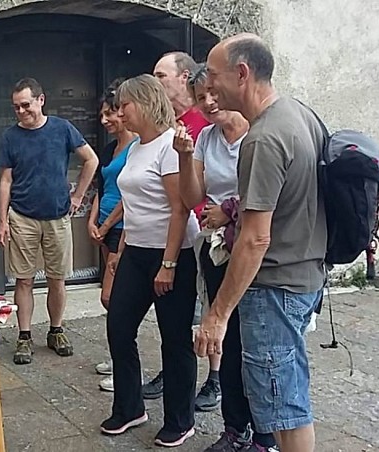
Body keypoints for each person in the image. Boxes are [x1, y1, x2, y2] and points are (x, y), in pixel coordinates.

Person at [195, 34, 326, 452]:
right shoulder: (300, 114)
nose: (208, 86)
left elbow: (254, 238)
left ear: (241, 73)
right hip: (303, 277)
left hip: (274, 289)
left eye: (213, 75)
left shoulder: (263, 137)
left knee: (285, 411)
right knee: (289, 399)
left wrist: (217, 315)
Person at [175, 65, 278, 452]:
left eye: (212, 93)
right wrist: (185, 157)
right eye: (200, 97)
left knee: (259, 347)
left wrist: (229, 210)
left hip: (255, 252)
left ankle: (266, 435)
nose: (208, 102)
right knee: (228, 344)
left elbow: (271, 195)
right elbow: (192, 197)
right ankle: (236, 428)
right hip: (218, 252)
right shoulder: (207, 138)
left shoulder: (258, 133)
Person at [100, 74, 199, 448]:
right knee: (119, 326)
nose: (120, 112)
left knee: (174, 338)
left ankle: (180, 419)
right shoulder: (137, 148)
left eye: (124, 104)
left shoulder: (170, 146)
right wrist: (119, 252)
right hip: (137, 250)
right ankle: (130, 407)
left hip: (171, 253)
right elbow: (133, 205)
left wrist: (168, 264)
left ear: (144, 103)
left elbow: (180, 208)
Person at [0, 77, 99, 365]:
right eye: (16, 107)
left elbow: (91, 160)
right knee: (23, 279)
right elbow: (5, 181)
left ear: (41, 100)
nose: (21, 111)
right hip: (22, 216)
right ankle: (24, 336)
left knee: (57, 279)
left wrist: (78, 196)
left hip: (57, 216)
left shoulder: (62, 128)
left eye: (26, 105)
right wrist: (2, 220)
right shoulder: (10, 137)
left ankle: (56, 330)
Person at [147, 51, 220, 410]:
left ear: (183, 77)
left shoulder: (206, 121)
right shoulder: (171, 124)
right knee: (182, 313)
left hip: (213, 229)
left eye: (160, 75)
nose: (155, 81)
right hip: (191, 233)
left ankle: (215, 379)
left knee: (212, 307)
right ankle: (175, 371)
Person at [87, 79, 140, 392]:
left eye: (109, 113)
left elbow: (129, 195)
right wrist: (92, 220)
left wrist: (106, 226)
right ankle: (117, 353)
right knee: (111, 298)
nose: (104, 119)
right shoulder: (110, 149)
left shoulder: (136, 149)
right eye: (102, 114)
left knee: (112, 297)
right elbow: (103, 187)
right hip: (105, 227)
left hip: (122, 229)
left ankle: (124, 363)